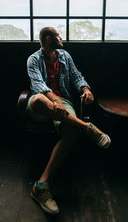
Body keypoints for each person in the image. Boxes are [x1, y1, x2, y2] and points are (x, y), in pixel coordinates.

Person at [27, 27, 111, 216]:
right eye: (57, 35)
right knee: (40, 99)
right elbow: (38, 85)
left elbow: (76, 75)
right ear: (48, 38)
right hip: (41, 101)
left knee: (71, 130)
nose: (61, 38)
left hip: (63, 102)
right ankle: (88, 127)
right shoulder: (33, 59)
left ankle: (41, 185)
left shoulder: (65, 56)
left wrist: (85, 89)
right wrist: (53, 100)